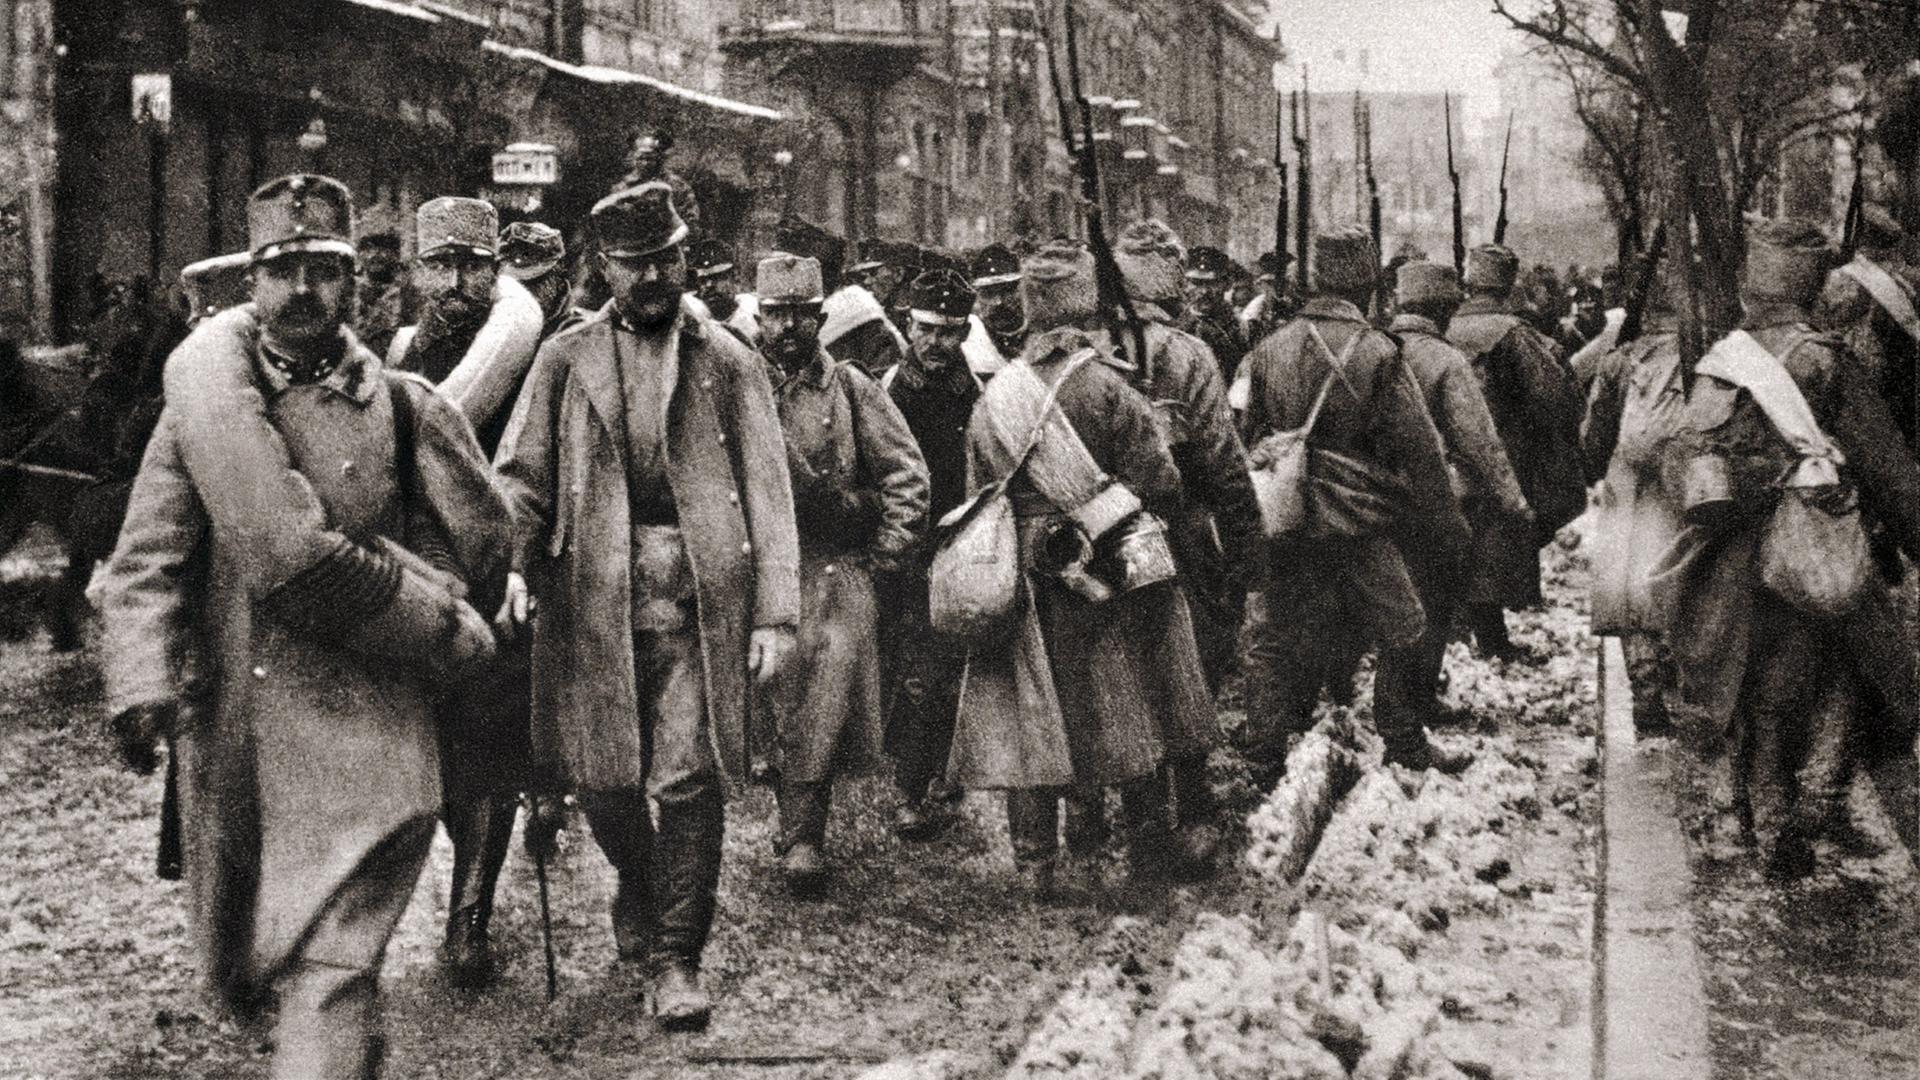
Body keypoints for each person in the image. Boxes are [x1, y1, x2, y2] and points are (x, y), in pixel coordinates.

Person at [93, 172, 508, 1079]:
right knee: (243, 973)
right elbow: (147, 561)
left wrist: (420, 597)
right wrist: (141, 681)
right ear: (254, 284)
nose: (304, 291)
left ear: (356, 283)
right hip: (241, 731)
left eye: (325, 269)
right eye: (283, 271)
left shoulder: (404, 408)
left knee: (335, 963)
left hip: (374, 726)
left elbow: (474, 547)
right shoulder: (200, 417)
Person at [493, 181, 799, 1029]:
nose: (656, 276)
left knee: (689, 779)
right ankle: (640, 875)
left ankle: (676, 958)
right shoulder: (564, 358)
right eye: (636, 264)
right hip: (593, 600)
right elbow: (522, 478)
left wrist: (776, 614)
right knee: (603, 781)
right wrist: (514, 566)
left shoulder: (730, 358)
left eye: (667, 257)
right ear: (603, 268)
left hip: (704, 600)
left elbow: (769, 493)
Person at [946, 239, 1215, 897]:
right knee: (1132, 702)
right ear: (1088, 308)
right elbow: (1160, 482)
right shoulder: (1112, 388)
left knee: (1030, 714)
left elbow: (980, 492)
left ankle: (1036, 865)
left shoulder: (996, 398)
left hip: (1027, 575)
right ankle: (1148, 851)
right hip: (1108, 566)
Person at [1654, 218, 1920, 876]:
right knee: (1860, 676)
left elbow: (1680, 463)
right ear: (1812, 285)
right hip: (1811, 549)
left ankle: (1765, 818)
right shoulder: (1826, 360)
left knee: (1762, 692)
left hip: (1736, 557)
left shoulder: (1723, 362)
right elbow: (1890, 472)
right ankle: (1802, 816)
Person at [1239, 225, 1472, 775]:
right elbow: (1418, 449)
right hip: (1357, 520)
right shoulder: (1376, 352)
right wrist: (1448, 522)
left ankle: (1265, 753)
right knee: (1407, 625)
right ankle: (1404, 741)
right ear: (1368, 281)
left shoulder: (1269, 348)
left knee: (1275, 633)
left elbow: (1249, 436)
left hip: (1287, 513)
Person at [752, 252, 929, 893]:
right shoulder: (735, 383)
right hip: (756, 570)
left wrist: (888, 552)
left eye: (803, 315)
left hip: (832, 569)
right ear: (759, 316)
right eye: (777, 314)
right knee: (766, 706)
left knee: (817, 701)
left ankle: (804, 837)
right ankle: (788, 813)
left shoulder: (851, 388)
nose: (790, 328)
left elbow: (907, 473)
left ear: (822, 317)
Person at [1106, 220, 1262, 869]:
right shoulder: (1190, 354)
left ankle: (1140, 815)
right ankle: (1194, 807)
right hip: (1180, 529)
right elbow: (1224, 461)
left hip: (1108, 534)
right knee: (1185, 666)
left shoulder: (1089, 347)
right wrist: (1249, 545)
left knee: (1125, 670)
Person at [1379, 261, 1531, 733]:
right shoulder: (1445, 361)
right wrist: (1513, 502)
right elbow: (1478, 442)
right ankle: (1414, 703)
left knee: (1389, 606)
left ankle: (1385, 701)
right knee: (1433, 602)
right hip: (1435, 501)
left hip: (1374, 498)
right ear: (1444, 308)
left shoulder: (1376, 348)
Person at [878, 268, 987, 839]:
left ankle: (942, 773)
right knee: (920, 670)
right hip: (909, 547)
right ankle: (908, 791)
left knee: (954, 665)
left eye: (948, 332)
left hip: (961, 542)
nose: (935, 344)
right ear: (907, 325)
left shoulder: (976, 391)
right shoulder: (892, 390)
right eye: (926, 330)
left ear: (966, 330)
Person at [1445, 243, 1587, 663]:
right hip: (1501, 455)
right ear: (1508, 284)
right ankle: (1481, 642)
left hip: (1444, 456)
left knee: (1456, 548)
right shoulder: (1512, 334)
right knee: (1490, 550)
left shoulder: (1442, 327)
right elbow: (1554, 400)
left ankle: (1478, 639)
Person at [1581, 264, 1687, 735]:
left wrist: (1595, 471)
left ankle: (1646, 693)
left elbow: (1595, 435)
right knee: (1679, 576)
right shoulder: (1700, 353)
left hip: (1627, 480)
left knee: (1628, 583)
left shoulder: (1619, 361)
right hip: (1682, 481)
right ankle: (1682, 684)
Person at [388, 197, 546, 456]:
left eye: (472, 267)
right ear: (420, 273)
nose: (454, 282)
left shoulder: (527, 348)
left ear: (495, 272)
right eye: (440, 266)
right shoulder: (403, 348)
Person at [777, 217, 909, 377]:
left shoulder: (865, 325)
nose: (773, 277)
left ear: (816, 275)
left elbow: (881, 391)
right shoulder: (763, 319)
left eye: (785, 269)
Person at [499, 220, 582, 340]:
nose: (521, 294)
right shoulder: (499, 323)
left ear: (558, 281)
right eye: (515, 284)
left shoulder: (576, 332)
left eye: (533, 283)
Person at [1182, 245, 1250, 383]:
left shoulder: (1244, 330)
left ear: (1227, 284)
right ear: (1185, 285)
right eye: (1196, 283)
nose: (1204, 291)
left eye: (1212, 283)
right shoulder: (1178, 326)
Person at [620, 128, 702, 234]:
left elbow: (690, 220)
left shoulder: (676, 186)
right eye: (640, 158)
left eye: (650, 159)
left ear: (659, 159)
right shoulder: (623, 187)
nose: (645, 163)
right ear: (634, 158)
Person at [687, 237, 759, 346]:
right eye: (703, 280)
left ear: (735, 277)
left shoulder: (754, 317)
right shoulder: (696, 323)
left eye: (716, 278)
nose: (709, 285)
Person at [353, 222, 408, 358]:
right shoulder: (349, 292)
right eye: (368, 248)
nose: (375, 254)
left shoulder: (408, 294)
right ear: (359, 254)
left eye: (383, 248)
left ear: (396, 255)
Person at [971, 242, 1030, 360]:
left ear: (1022, 289)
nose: (999, 302)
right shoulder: (969, 345)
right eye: (989, 293)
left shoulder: (1039, 339)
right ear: (976, 296)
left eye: (1007, 290)